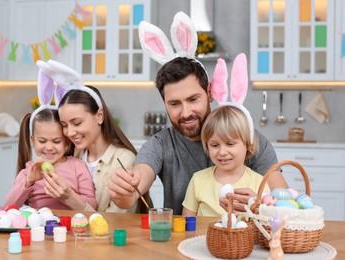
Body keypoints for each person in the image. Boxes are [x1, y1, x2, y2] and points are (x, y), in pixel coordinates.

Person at [107, 12, 287, 215]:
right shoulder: (160, 145)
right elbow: (135, 186)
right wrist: (123, 191)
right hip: (183, 243)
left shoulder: (249, 139)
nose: (186, 113)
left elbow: (285, 201)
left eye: (193, 99)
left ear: (209, 93)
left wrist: (260, 204)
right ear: (164, 103)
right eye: (174, 103)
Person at [36, 59, 151, 213]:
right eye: (64, 125)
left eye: (76, 123)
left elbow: (115, 223)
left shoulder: (124, 160)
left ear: (99, 116)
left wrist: (69, 197)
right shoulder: (72, 155)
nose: (69, 132)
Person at [182, 53, 270, 216]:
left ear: (247, 144)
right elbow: (188, 224)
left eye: (230, 144)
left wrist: (258, 207)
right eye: (215, 145)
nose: (222, 152)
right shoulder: (198, 180)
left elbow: (268, 224)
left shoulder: (259, 183)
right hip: (204, 241)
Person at [3, 109, 97, 211]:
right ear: (33, 140)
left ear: (66, 142)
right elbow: (8, 206)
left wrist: (68, 194)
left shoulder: (78, 166)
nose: (49, 147)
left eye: (56, 141)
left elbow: (92, 206)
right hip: (38, 226)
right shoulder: (30, 170)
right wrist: (28, 182)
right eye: (42, 141)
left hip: (71, 225)